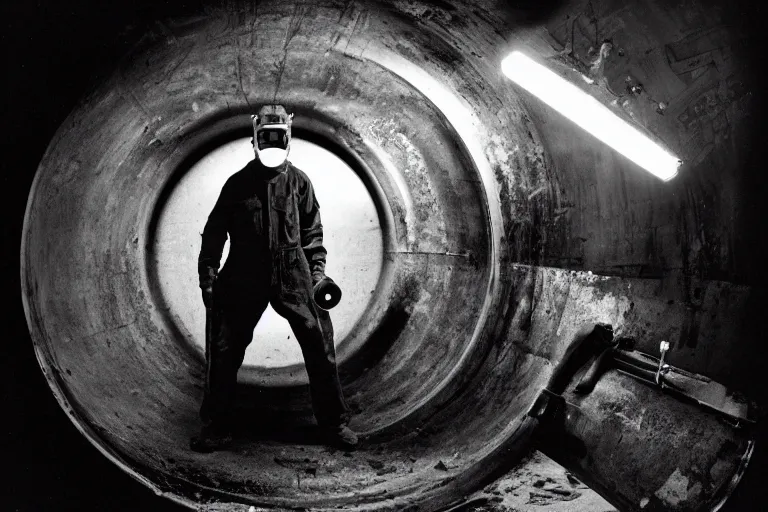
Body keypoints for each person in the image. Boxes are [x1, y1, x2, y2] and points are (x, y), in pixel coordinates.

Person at [190, 104, 358, 452]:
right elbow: (214, 232)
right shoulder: (237, 184)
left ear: (288, 137)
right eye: (265, 137)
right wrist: (208, 275)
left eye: (277, 137)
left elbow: (313, 236)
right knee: (224, 350)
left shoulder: (299, 183)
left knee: (319, 345)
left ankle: (333, 424)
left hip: (292, 271)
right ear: (254, 139)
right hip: (243, 272)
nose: (271, 144)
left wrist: (316, 277)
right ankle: (216, 426)